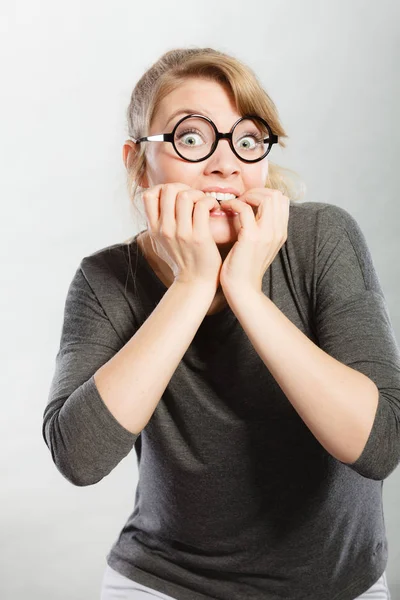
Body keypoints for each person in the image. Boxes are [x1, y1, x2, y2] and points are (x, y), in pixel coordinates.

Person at [42, 47, 399, 600]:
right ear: (139, 161)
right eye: (191, 138)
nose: (225, 164)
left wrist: (244, 290)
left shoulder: (324, 238)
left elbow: (379, 447)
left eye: (247, 139)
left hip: (337, 586)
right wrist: (190, 285)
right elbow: (80, 458)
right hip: (166, 582)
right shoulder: (105, 279)